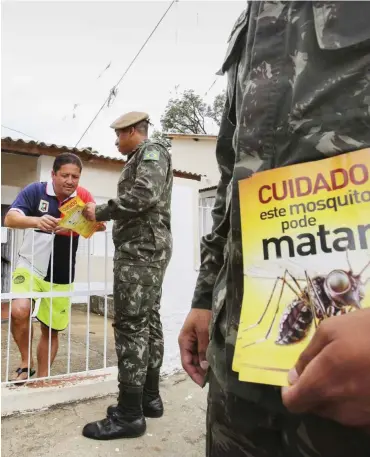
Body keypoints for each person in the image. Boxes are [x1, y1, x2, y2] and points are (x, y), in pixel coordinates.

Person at [178, 2, 370, 456]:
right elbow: (234, 175)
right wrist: (205, 297)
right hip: (238, 370)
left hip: (349, 392)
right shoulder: (252, 17)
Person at [81, 112, 173, 440]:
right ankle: (149, 399)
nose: (116, 141)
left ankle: (130, 414)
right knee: (148, 322)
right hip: (148, 252)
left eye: (119, 135)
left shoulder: (151, 152)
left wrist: (100, 211)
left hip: (140, 254)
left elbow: (143, 195)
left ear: (133, 131)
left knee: (131, 327)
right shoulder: (148, 155)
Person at [5, 152, 102, 383]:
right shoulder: (35, 191)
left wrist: (96, 223)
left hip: (61, 271)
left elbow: (95, 225)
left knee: (51, 328)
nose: (70, 181)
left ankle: (42, 378)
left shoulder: (83, 195)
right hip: (30, 265)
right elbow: (10, 218)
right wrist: (36, 220)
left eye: (75, 176)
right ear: (53, 174)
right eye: (65, 175)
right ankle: (26, 361)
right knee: (19, 311)